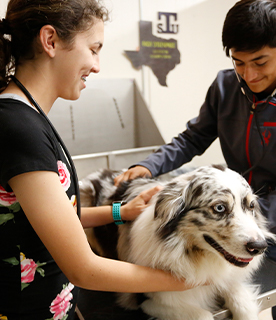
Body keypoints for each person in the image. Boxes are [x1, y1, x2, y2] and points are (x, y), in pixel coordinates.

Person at [115, 0, 276, 319]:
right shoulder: (225, 86)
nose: (249, 75)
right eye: (239, 62)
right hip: (231, 223)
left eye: (260, 62)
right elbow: (193, 138)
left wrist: (245, 225)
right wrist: (150, 165)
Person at [0, 1, 193, 319]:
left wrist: (124, 212)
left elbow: (55, 218)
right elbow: (85, 270)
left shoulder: (27, 118)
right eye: (93, 49)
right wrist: (186, 280)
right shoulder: (20, 128)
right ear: (51, 41)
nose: (97, 65)